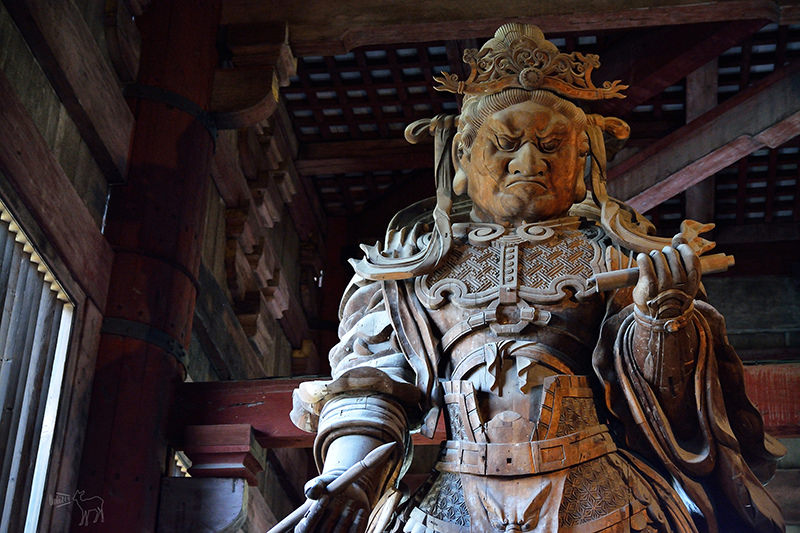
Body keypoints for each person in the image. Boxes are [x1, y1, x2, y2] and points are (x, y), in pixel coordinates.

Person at [288, 23, 785, 533]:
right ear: (462, 155)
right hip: (451, 502)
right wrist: (349, 477)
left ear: (581, 161)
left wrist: (662, 320)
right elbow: (371, 382)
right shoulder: (410, 264)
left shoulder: (617, 253)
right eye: (506, 143)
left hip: (600, 495)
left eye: (550, 146)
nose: (529, 162)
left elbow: (663, 407)